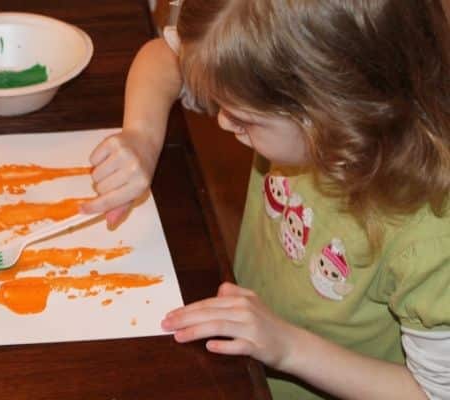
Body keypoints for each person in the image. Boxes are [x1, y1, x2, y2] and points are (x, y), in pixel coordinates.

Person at [81, 0, 450, 398]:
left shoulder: (432, 240)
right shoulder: (323, 115)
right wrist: (142, 136)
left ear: (332, 114)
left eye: (244, 119)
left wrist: (287, 347)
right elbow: (162, 59)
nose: (222, 121)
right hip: (248, 363)